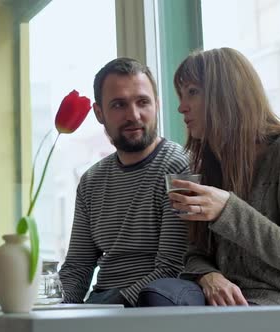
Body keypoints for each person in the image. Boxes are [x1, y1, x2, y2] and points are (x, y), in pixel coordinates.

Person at [137, 47, 280, 332]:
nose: (181, 107)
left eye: (192, 92)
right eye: (181, 95)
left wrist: (228, 209)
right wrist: (208, 276)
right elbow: (194, 252)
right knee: (159, 297)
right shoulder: (210, 164)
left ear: (226, 94)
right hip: (231, 306)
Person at [58, 57, 190, 307]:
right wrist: (58, 309)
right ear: (99, 113)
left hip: (152, 305)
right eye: (119, 105)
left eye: (143, 102)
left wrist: (103, 310)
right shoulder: (91, 181)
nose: (134, 115)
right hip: (103, 302)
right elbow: (78, 265)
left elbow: (173, 267)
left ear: (157, 105)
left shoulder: (179, 168)